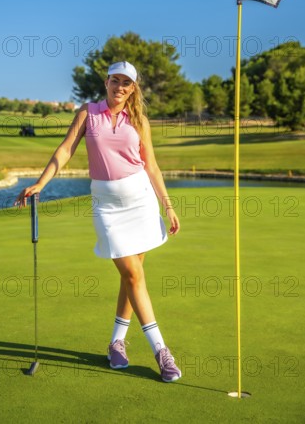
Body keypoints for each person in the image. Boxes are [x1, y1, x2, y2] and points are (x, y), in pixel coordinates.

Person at [14, 61, 181, 382]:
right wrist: (41, 183)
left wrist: (168, 206)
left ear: (133, 88)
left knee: (132, 278)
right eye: (115, 80)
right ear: (106, 82)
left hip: (141, 201)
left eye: (126, 83)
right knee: (132, 274)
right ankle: (162, 351)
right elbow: (64, 150)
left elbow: (153, 167)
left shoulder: (139, 120)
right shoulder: (87, 113)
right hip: (107, 207)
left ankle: (117, 343)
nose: (120, 87)